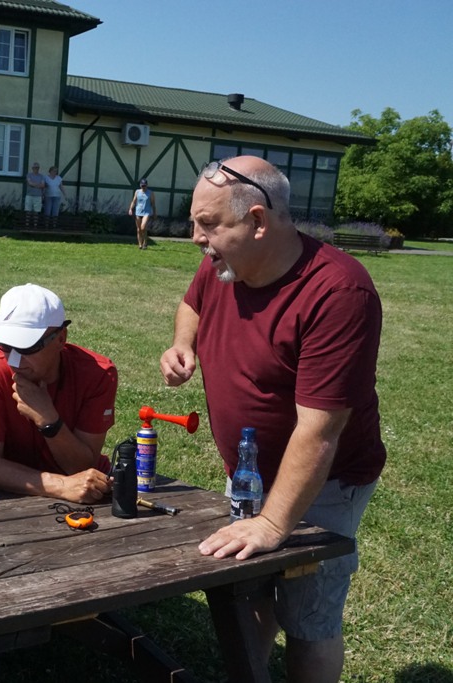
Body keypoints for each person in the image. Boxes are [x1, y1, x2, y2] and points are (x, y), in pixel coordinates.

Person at [159, 155, 386, 682]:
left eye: (208, 223)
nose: (196, 237)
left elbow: (320, 431)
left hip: (324, 481)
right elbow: (192, 302)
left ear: (258, 221)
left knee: (308, 615)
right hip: (247, 470)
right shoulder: (223, 262)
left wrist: (272, 523)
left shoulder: (337, 292)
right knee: (251, 592)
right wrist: (181, 344)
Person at [0, 283, 117, 503]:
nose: (14, 360)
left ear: (61, 338)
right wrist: (61, 486)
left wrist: (48, 420)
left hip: (86, 493)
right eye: (4, 345)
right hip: (15, 497)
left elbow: (81, 466)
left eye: (26, 347)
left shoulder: (97, 373)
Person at [128, 177, 157, 250]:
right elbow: (134, 201)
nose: (143, 187)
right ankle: (140, 244)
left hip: (146, 212)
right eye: (142, 186)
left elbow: (153, 204)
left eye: (144, 185)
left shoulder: (150, 193)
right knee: (139, 229)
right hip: (138, 212)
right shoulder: (137, 192)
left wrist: (154, 213)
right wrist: (130, 209)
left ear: (147, 185)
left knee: (143, 227)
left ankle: (145, 242)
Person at [23, 161, 45, 228]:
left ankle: (35, 226)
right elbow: (30, 183)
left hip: (38, 196)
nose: (36, 169)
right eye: (35, 167)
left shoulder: (41, 176)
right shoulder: (29, 175)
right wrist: (38, 185)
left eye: (37, 167)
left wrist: (34, 184)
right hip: (29, 195)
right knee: (28, 211)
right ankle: (27, 225)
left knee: (36, 212)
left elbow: (43, 185)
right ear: (32, 168)